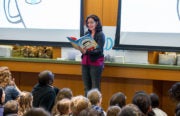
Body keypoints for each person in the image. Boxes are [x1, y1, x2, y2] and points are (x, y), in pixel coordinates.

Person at [80, 14, 105, 96]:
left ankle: (95, 108)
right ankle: (86, 107)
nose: (89, 25)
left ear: (96, 23)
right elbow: (84, 47)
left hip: (96, 63)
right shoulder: (87, 33)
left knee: (95, 88)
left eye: (92, 22)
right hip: (85, 62)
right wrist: (81, 48)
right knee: (86, 87)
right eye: (88, 23)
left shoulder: (100, 34)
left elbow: (99, 50)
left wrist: (87, 51)